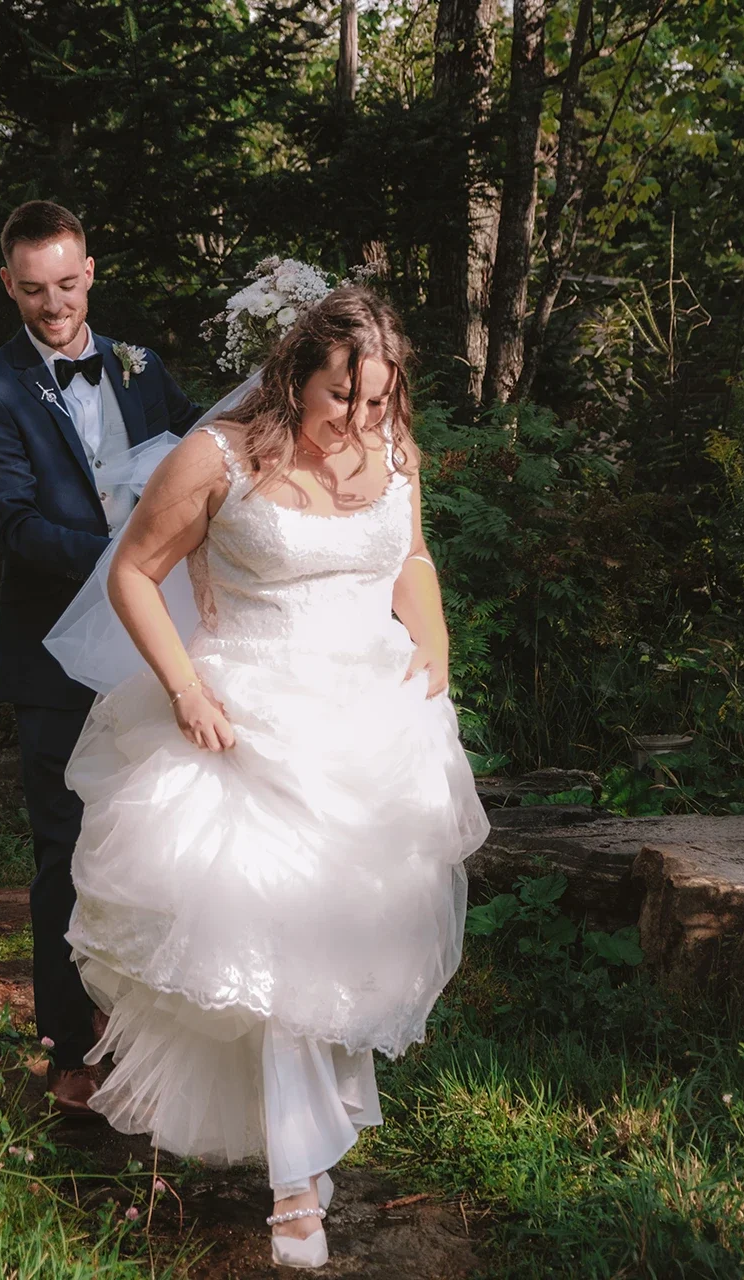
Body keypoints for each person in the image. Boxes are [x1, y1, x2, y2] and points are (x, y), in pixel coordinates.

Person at [60, 287, 489, 1268]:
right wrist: (183, 688)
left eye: (377, 402)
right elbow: (135, 570)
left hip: (373, 729)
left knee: (344, 932)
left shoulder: (395, 456)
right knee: (278, 946)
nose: (358, 421)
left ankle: (311, 1138)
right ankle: (296, 1192)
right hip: (248, 723)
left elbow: (410, 556)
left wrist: (436, 644)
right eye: (342, 399)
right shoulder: (219, 459)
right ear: (296, 374)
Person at [0, 200, 201, 1117]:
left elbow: (199, 456)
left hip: (155, 648)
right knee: (64, 849)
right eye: (32, 291)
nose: (53, 306)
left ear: (89, 271)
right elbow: (10, 524)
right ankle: (69, 1051)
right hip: (53, 656)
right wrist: (122, 561)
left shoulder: (144, 367)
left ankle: (152, 1042)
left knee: (156, 841)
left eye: (66, 285)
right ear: (8, 284)